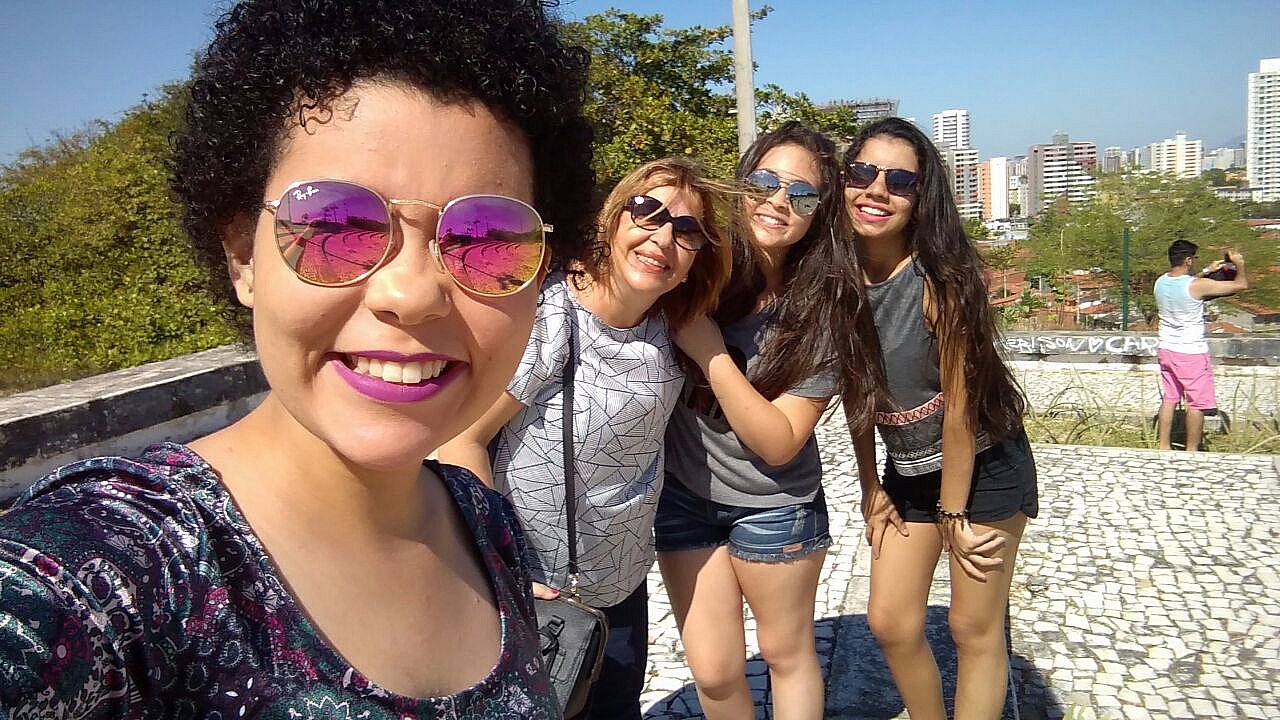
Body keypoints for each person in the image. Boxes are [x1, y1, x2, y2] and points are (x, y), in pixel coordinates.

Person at [0, 1, 596, 715]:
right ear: (241, 256)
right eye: (335, 224)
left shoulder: (486, 525)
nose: (412, 294)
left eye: (488, 238)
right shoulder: (115, 570)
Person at [438, 157, 733, 719]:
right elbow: (462, 439)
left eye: (687, 229)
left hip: (621, 588)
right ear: (609, 220)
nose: (663, 237)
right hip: (536, 593)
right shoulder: (552, 317)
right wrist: (502, 567)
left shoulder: (675, 329)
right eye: (646, 212)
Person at [655, 121, 882, 720]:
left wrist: (710, 353)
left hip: (774, 504)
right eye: (765, 182)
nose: (780, 201)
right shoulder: (692, 266)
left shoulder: (824, 307)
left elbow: (780, 441)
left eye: (802, 195)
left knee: (785, 655)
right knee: (714, 671)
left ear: (819, 214)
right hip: (684, 495)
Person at [842, 117, 1038, 720]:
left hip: (984, 465)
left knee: (972, 628)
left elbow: (960, 411)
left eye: (899, 180)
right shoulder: (835, 279)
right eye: (862, 172)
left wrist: (954, 512)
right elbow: (857, 396)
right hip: (909, 470)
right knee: (891, 622)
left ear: (920, 196)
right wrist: (870, 486)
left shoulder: (939, 282)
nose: (877, 189)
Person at [1154, 240, 1248, 451]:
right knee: (1196, 403)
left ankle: (1163, 446)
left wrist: (1207, 271)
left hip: (1167, 348)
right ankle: (1191, 451)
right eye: (1194, 258)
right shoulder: (1197, 286)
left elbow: (1184, 284)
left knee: (1170, 398)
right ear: (1188, 260)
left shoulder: (1161, 282)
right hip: (1191, 352)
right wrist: (1239, 264)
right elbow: (1240, 285)